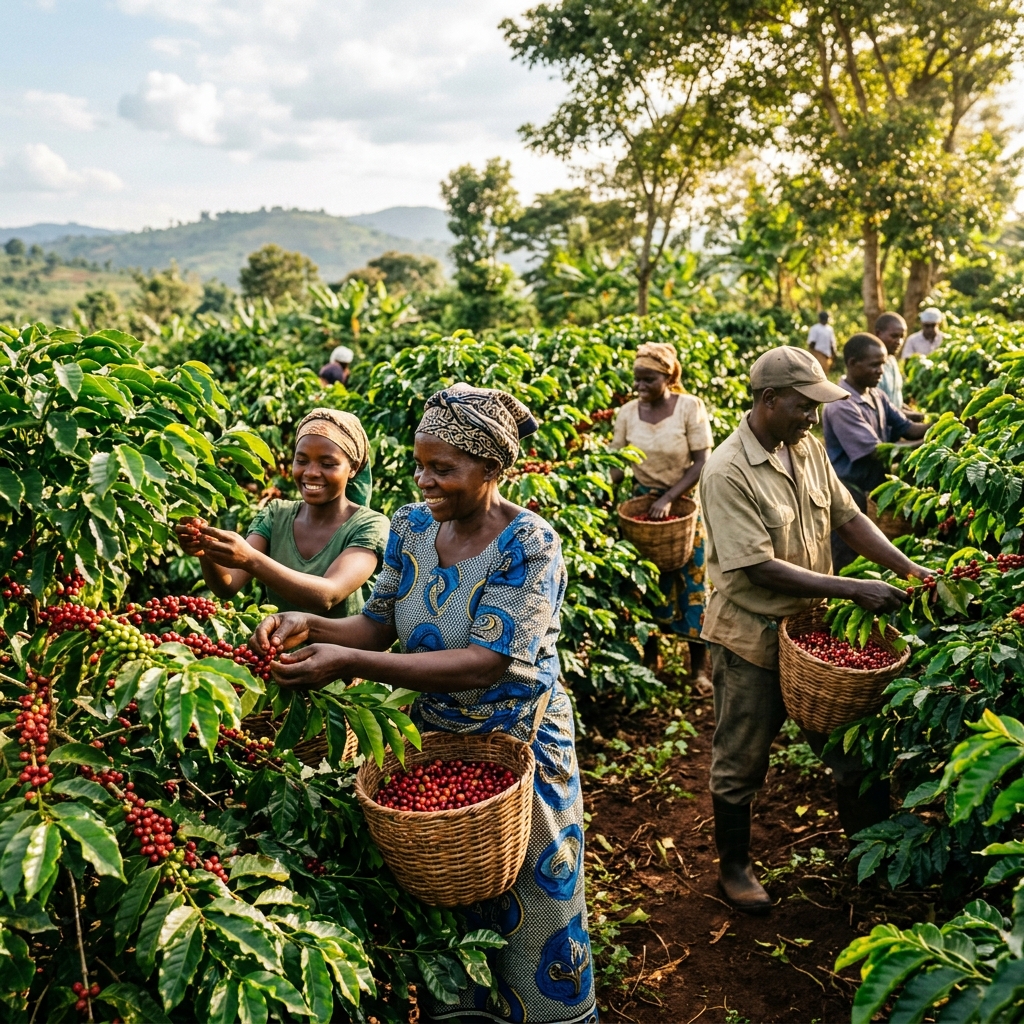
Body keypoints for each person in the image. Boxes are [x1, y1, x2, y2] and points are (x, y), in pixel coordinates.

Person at [248, 384, 596, 1024]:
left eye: (444, 468)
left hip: (519, 743)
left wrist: (351, 664)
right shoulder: (410, 528)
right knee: (443, 894)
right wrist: (310, 624)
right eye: (419, 465)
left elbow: (487, 661)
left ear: (491, 470)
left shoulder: (530, 543)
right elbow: (376, 625)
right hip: (432, 739)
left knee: (534, 896)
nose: (425, 481)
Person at [699, 347, 933, 913]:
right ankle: (733, 868)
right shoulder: (727, 469)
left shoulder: (804, 447)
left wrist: (908, 569)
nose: (813, 417)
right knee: (741, 760)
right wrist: (855, 589)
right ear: (767, 400)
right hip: (751, 636)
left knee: (850, 747)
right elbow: (755, 565)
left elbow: (847, 516)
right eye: (804, 406)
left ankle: (869, 855)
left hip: (811, 633)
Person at [176, 409, 389, 617]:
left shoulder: (370, 525)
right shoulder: (277, 515)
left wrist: (250, 559)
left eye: (327, 464)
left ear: (353, 468)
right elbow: (228, 586)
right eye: (302, 461)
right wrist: (204, 549)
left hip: (347, 653)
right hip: (280, 650)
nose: (311, 472)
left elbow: (327, 596)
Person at [610, 341, 714, 686]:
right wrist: (604, 494)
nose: (639, 386)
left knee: (691, 580)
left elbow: (701, 462)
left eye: (648, 379)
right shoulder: (627, 413)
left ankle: (697, 668)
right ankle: (651, 658)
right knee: (648, 582)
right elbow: (618, 464)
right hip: (643, 504)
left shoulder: (689, 407)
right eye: (636, 379)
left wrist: (670, 497)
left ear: (668, 377)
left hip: (682, 503)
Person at [823, 334, 929, 570]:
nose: (881, 370)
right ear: (852, 363)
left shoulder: (876, 395)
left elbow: (908, 428)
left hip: (870, 491)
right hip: (848, 493)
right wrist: (927, 445)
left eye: (882, 363)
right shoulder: (841, 404)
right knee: (847, 559)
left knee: (872, 559)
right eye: (874, 364)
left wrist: (945, 426)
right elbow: (876, 452)